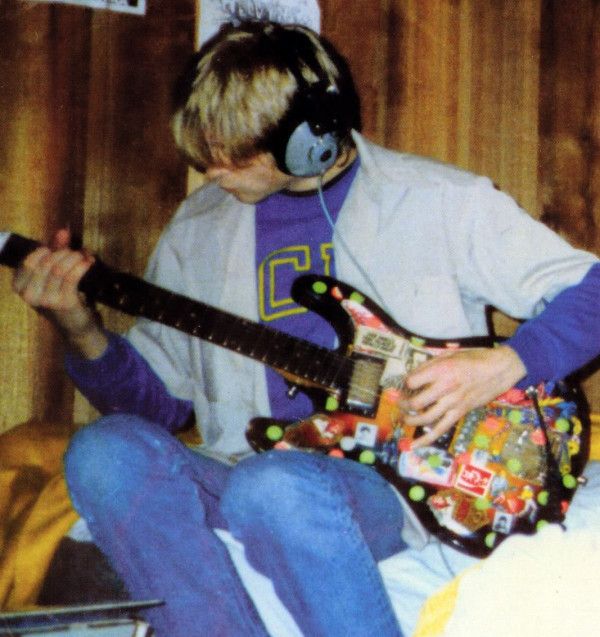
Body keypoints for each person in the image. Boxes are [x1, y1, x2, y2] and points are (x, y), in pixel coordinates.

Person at [11, 19, 600, 637]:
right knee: (101, 453)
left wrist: (504, 365)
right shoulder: (197, 227)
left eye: (231, 153)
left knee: (275, 488)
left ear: (307, 141)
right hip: (245, 466)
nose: (210, 171)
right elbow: (158, 405)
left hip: (393, 482)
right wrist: (79, 328)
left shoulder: (442, 200)